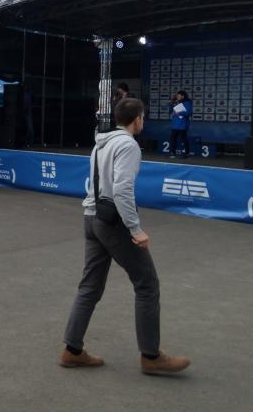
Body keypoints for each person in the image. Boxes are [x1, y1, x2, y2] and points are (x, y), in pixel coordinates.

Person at [60, 97, 190, 375]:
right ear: (137, 119)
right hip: (113, 223)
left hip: (92, 217)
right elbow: (121, 189)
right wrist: (135, 228)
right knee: (147, 284)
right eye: (143, 117)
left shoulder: (101, 143)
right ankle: (151, 356)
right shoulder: (128, 145)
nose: (143, 121)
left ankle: (72, 350)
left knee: (90, 287)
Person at [168, 90, 193, 158]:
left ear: (182, 96)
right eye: (177, 96)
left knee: (184, 139)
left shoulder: (187, 103)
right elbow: (170, 111)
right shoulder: (176, 102)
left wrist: (179, 113)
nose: (177, 97)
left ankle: (186, 153)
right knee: (173, 139)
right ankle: (172, 153)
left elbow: (188, 113)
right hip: (175, 124)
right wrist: (171, 104)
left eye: (178, 96)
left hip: (183, 124)